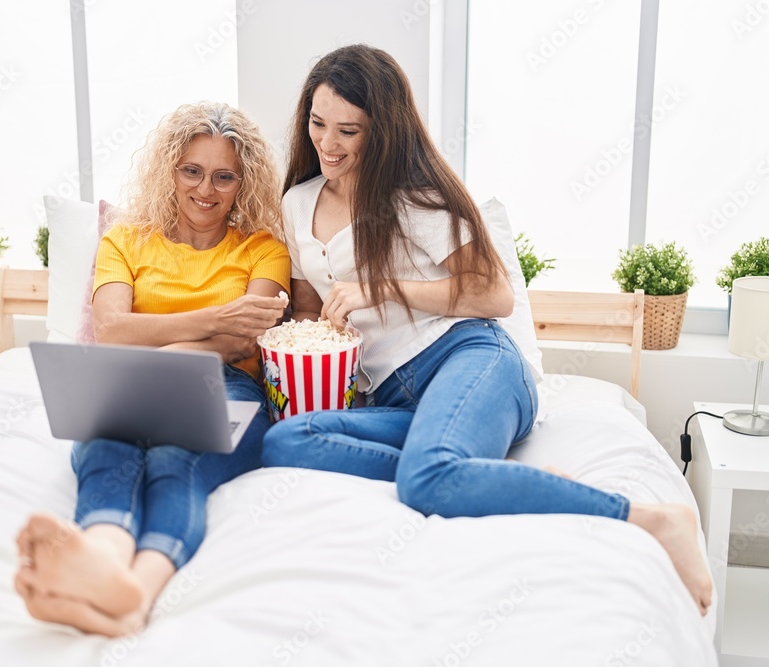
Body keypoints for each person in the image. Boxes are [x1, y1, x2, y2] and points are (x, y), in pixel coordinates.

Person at [261, 44, 712, 615]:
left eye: (348, 130)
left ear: (381, 132)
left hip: (470, 359)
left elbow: (493, 294)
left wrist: (382, 289)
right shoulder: (297, 205)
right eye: (318, 124)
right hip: (396, 396)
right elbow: (306, 307)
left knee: (426, 482)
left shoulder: (412, 199)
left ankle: (649, 518)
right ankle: (485, 472)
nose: (328, 143)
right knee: (285, 440)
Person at [13, 102, 290, 636]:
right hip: (129, 375)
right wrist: (215, 317)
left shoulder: (264, 249)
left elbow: (243, 340)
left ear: (243, 182)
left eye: (223, 176)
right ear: (170, 171)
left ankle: (134, 593)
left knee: (173, 462)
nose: (205, 189)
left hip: (228, 385)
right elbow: (113, 329)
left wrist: (175, 338)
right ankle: (101, 559)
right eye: (192, 170)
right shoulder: (126, 239)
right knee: (105, 452)